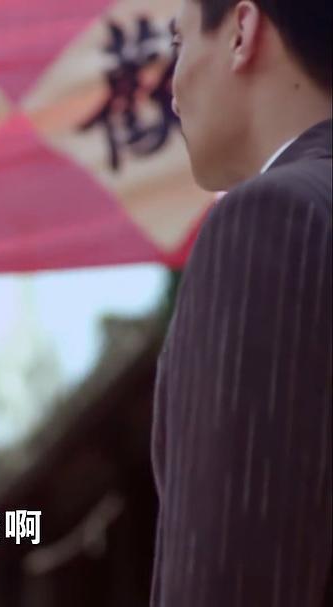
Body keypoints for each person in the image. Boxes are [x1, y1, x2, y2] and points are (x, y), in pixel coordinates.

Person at [153, 0, 331, 604]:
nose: (172, 89)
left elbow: (229, 578)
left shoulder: (272, 219)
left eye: (179, 44)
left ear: (241, 31)